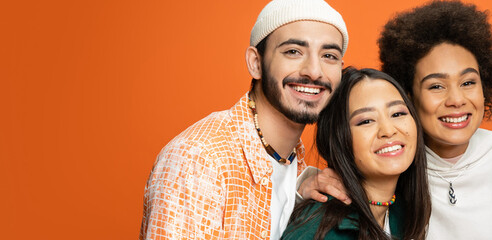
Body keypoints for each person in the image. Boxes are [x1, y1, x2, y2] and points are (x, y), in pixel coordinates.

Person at [298, 1, 492, 239]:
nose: (456, 99)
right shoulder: (397, 166)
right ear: (409, 97)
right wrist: (302, 184)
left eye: (468, 82)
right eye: (436, 86)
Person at [139, 0, 348, 239]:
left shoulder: (297, 168)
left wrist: (298, 198)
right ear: (256, 63)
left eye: (329, 55)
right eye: (293, 51)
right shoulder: (199, 161)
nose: (314, 71)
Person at [281, 67, 431, 240]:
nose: (388, 130)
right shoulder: (321, 232)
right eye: (366, 121)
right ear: (338, 138)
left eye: (397, 113)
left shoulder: (401, 210)